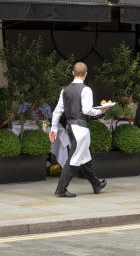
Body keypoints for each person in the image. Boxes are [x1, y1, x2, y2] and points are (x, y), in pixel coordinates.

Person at [49, 61, 113, 198]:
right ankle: (61, 189)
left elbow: (57, 111)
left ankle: (96, 184)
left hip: (70, 128)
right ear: (85, 74)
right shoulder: (86, 89)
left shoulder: (64, 90)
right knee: (74, 159)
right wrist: (101, 111)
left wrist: (53, 129)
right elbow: (87, 110)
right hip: (81, 128)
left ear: (73, 73)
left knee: (85, 157)